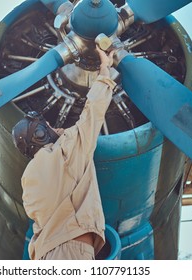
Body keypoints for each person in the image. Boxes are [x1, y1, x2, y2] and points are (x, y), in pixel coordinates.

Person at [12, 46, 116, 260]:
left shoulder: (28, 178)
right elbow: (92, 113)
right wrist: (105, 70)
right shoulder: (65, 152)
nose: (57, 127)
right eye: (49, 126)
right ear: (40, 135)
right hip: (70, 253)